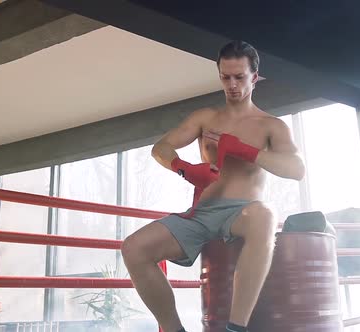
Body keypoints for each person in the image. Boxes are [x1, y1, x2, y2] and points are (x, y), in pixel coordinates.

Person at [122, 40, 305, 332]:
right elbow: (161, 147)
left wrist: (249, 151)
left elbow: (297, 170)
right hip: (201, 213)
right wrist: (183, 168)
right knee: (133, 248)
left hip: (243, 213)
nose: (232, 84)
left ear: (254, 78)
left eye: (239, 77)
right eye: (225, 77)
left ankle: (236, 328)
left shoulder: (271, 126)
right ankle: (173, 329)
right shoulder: (206, 118)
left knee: (265, 216)